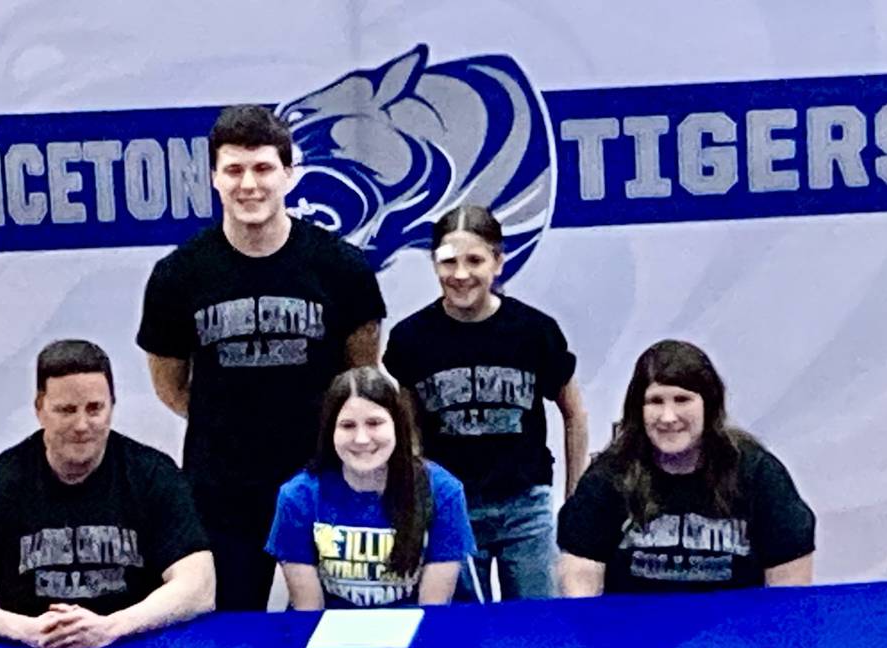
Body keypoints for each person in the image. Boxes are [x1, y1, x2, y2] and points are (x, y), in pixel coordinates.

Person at [138, 104, 387, 611]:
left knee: (333, 630)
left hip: (324, 481)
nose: (248, 184)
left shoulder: (342, 268)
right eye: (233, 169)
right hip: (221, 492)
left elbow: (360, 377)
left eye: (263, 168)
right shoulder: (177, 276)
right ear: (213, 177)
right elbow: (170, 386)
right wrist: (233, 420)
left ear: (289, 174)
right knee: (228, 633)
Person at [0, 339, 215, 648]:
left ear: (112, 407)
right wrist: (28, 630)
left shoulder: (153, 475)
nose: (82, 425)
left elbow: (199, 586)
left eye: (95, 409)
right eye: (66, 410)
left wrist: (111, 627)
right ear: (40, 410)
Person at [383, 205, 587, 601]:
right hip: (451, 509)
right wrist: (418, 500)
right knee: (461, 633)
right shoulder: (411, 339)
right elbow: (409, 430)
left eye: (475, 260)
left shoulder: (534, 332)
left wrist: (574, 497)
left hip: (525, 506)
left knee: (536, 627)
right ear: (433, 265)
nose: (461, 274)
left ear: (498, 262)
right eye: (448, 261)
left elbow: (574, 413)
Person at [557, 339, 815, 596]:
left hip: (734, 634)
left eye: (682, 399)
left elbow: (789, 592)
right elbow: (580, 579)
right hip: (634, 634)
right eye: (656, 401)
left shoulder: (759, 473)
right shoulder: (609, 475)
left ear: (709, 405)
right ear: (639, 410)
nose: (668, 417)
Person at [268, 367, 475, 609]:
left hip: (415, 633)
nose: (362, 439)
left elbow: (432, 610)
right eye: (347, 426)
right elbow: (309, 612)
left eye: (374, 423)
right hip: (332, 634)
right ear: (330, 431)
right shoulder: (297, 497)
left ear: (397, 425)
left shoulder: (444, 492)